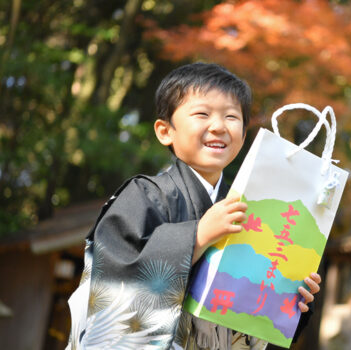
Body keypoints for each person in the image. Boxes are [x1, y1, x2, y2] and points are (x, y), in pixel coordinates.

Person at [66, 62, 321, 350]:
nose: (218, 126)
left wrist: (289, 301)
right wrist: (196, 236)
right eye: (202, 113)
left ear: (244, 136)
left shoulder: (250, 209)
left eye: (231, 116)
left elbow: (250, 316)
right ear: (165, 131)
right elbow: (112, 284)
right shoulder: (144, 196)